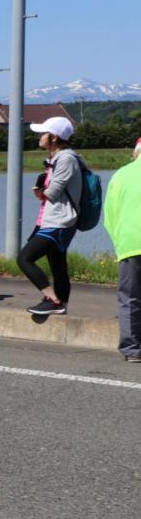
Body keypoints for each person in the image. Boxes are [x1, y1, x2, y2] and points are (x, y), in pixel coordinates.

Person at [17, 116, 83, 316]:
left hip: (59, 221)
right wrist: (42, 191)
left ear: (54, 137)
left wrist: (42, 191)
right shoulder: (56, 158)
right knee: (58, 265)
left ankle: (52, 299)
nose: (39, 136)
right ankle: (61, 305)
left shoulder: (66, 158)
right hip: (55, 219)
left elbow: (53, 192)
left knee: (24, 258)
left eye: (43, 133)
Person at [105, 137, 141, 361]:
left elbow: (110, 216)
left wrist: (120, 241)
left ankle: (133, 349)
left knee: (130, 298)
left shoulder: (121, 175)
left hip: (130, 244)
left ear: (136, 152)